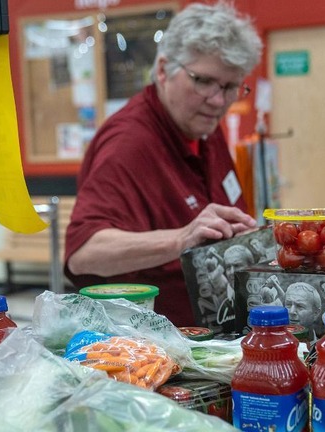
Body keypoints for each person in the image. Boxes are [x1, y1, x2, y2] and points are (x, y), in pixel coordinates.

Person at [63, 2, 262, 326]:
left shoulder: (203, 127)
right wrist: (181, 239)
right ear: (162, 70)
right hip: (149, 350)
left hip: (211, 337)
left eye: (229, 87)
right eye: (203, 81)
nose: (218, 101)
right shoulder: (129, 143)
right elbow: (84, 253)